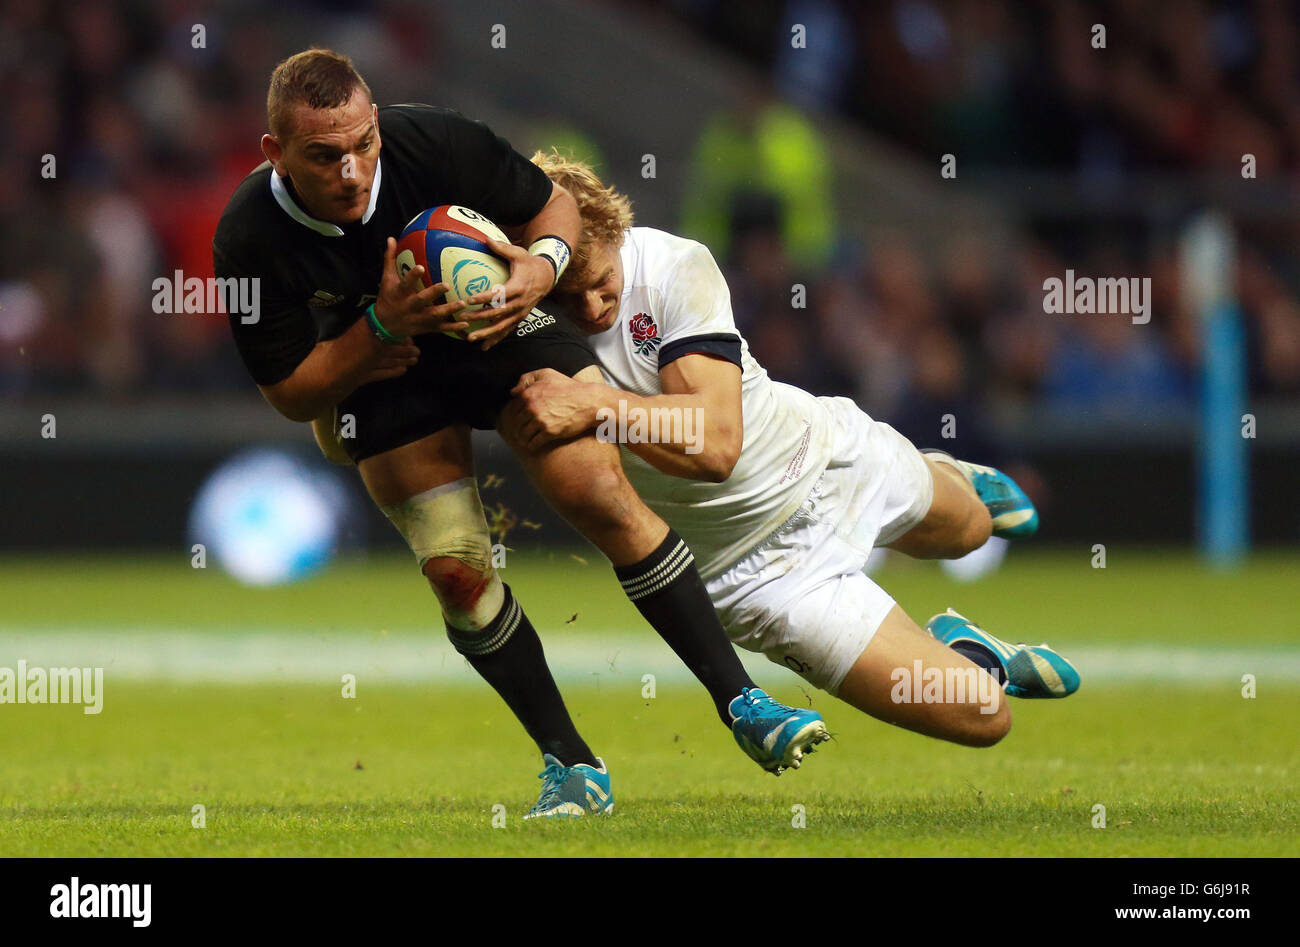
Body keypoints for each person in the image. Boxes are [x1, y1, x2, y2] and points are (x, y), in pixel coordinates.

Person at [212, 50, 827, 819]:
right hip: (381, 365)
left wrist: (541, 268)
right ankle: (570, 762)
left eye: (362, 143)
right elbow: (290, 392)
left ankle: (744, 702)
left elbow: (552, 207)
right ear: (275, 153)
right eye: (324, 155)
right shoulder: (247, 237)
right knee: (456, 572)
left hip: (497, 325)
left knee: (593, 485)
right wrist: (378, 326)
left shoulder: (432, 142)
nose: (351, 169)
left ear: (377, 123)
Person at [501, 152, 1081, 749]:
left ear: (615, 234)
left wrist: (596, 408)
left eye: (599, 284)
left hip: (825, 457)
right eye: (567, 302)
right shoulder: (519, 339)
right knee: (984, 717)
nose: (592, 310)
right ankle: (968, 650)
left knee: (970, 530)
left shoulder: (675, 265)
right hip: (759, 580)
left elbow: (715, 448)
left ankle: (945, 469)